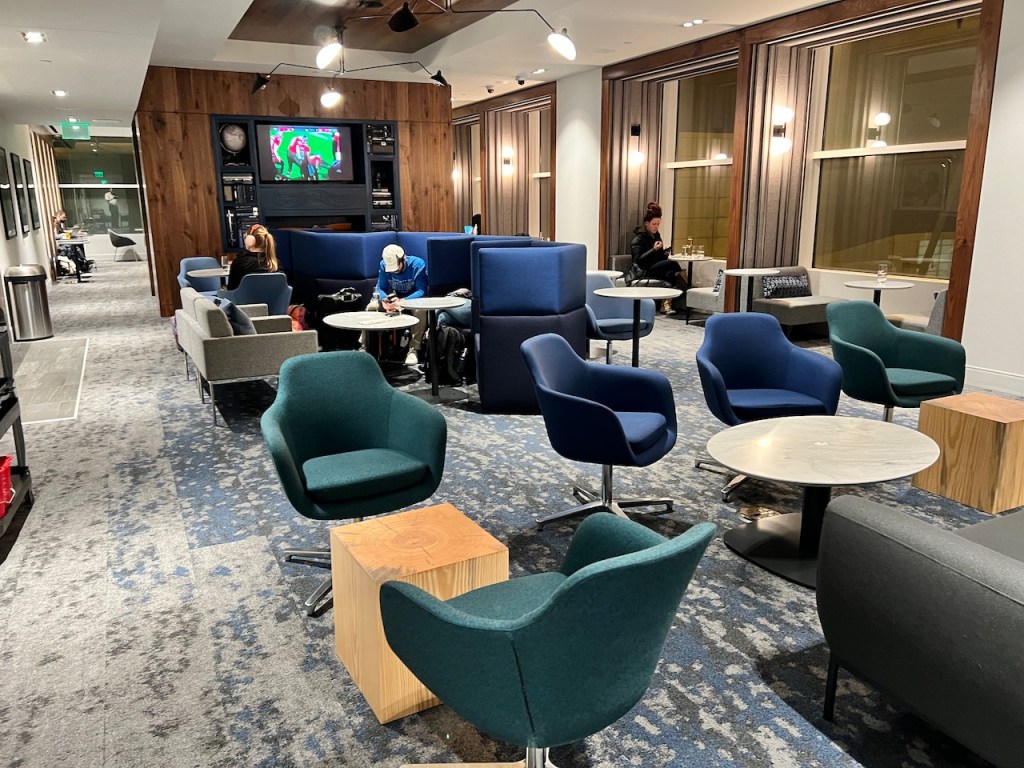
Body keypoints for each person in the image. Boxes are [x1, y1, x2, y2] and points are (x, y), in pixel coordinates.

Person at [367, 244, 428, 364]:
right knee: (371, 307)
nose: (395, 271)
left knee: (420, 311)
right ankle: (365, 346)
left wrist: (403, 301)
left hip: (414, 300)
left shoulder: (417, 264)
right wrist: (384, 300)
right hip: (395, 299)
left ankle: (413, 349)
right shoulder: (383, 265)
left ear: (403, 259)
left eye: (396, 267)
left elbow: (421, 291)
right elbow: (381, 287)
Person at [628, 201, 685, 313]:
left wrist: (664, 253)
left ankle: (666, 305)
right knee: (673, 264)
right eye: (654, 224)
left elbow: (659, 259)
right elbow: (639, 261)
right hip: (643, 270)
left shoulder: (657, 236)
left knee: (670, 274)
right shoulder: (638, 239)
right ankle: (685, 290)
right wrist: (653, 250)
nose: (656, 227)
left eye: (658, 224)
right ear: (646, 223)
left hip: (654, 267)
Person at [224, 223, 278, 291]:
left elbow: (231, 289)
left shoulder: (240, 263)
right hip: (272, 298)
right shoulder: (276, 263)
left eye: (245, 237)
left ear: (250, 240)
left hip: (244, 298)